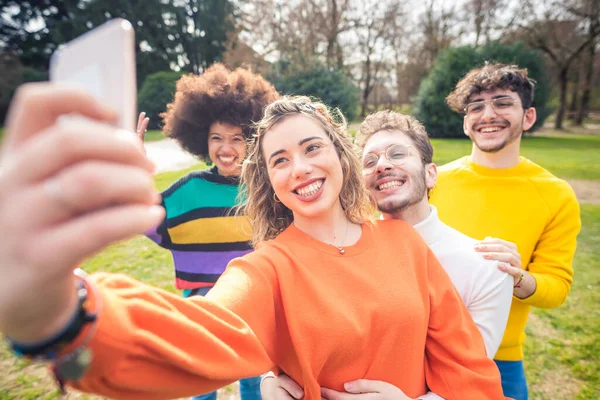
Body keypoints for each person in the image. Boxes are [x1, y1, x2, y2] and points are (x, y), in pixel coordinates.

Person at [0, 89, 510, 400]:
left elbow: (468, 369)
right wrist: (60, 317)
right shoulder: (264, 270)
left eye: (312, 147)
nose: (301, 168)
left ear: (339, 154)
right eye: (280, 159)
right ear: (269, 180)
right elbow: (198, 338)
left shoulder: (404, 243)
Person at [260, 111, 515, 400]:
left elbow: (470, 376)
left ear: (431, 174)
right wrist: (272, 374)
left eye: (397, 154)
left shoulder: (486, 265)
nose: (382, 165)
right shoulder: (341, 249)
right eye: (369, 161)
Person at [430, 63, 581, 400]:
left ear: (528, 117)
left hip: (500, 359)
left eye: (502, 103)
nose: (488, 114)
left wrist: (519, 278)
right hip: (420, 346)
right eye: (476, 106)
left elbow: (556, 287)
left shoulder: (555, 194)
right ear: (466, 122)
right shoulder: (432, 181)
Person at [135, 63, 279, 400]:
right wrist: (136, 172)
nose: (226, 148)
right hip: (201, 311)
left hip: (253, 310)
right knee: (202, 387)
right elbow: (146, 219)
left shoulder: (265, 188)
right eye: (216, 138)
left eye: (236, 138)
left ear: (253, 140)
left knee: (254, 382)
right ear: (202, 139)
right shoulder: (190, 189)